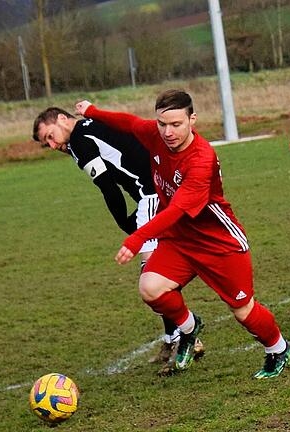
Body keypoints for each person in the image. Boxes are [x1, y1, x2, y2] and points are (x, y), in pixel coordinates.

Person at [75, 90, 290, 379]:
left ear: (192, 120)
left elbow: (176, 209)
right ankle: (189, 330)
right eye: (162, 124)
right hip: (180, 241)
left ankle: (279, 349)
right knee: (150, 288)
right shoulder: (155, 134)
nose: (168, 132)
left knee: (243, 310)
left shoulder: (201, 159)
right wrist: (93, 111)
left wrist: (138, 237)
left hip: (218, 242)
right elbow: (127, 122)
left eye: (176, 124)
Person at [32, 107, 204, 367]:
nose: (53, 144)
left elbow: (108, 189)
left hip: (151, 195)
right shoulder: (93, 124)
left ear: (62, 119)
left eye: (50, 136)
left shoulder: (79, 142)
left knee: (151, 279)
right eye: (47, 143)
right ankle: (173, 336)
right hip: (164, 186)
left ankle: (186, 332)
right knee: (158, 274)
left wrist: (126, 223)